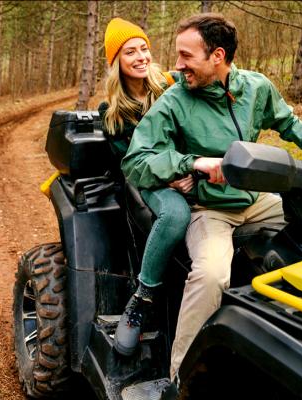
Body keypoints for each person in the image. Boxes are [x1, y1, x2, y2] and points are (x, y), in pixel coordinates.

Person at [121, 13, 302, 379]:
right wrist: (192, 163)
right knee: (211, 275)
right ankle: (178, 378)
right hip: (211, 209)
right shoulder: (175, 101)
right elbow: (136, 161)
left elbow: (288, 122)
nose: (177, 65)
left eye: (187, 56)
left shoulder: (255, 87)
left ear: (217, 56)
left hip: (258, 200)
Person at [98, 17, 194, 356]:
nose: (141, 57)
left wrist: (190, 167)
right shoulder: (112, 112)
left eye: (144, 49)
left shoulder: (171, 83)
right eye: (130, 52)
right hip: (148, 179)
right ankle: (142, 297)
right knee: (176, 214)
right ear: (116, 62)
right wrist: (170, 177)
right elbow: (131, 162)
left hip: (190, 166)